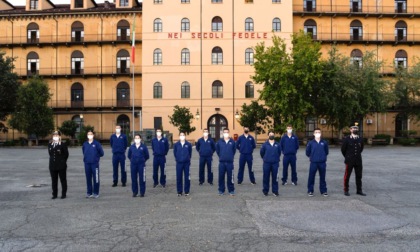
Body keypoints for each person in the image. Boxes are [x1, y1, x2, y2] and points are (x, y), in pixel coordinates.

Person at [341, 124, 366, 196]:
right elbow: (343, 150)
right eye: (353, 128)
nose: (355, 129)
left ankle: (359, 190)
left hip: (358, 160)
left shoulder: (360, 139)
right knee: (347, 175)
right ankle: (346, 190)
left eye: (356, 128)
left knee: (359, 176)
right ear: (350, 130)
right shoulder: (346, 139)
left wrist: (356, 155)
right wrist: (347, 157)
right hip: (349, 160)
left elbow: (361, 149)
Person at [305, 128, 329, 197]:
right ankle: (310, 190)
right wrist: (312, 157)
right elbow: (307, 152)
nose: (317, 133)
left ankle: (323, 191)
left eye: (319, 132)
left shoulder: (324, 142)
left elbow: (326, 152)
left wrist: (322, 157)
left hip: (322, 163)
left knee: (322, 177)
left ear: (321, 134)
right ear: (314, 134)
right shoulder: (311, 143)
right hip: (314, 163)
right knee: (311, 177)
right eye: (316, 132)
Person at [82, 130, 104, 198]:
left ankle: (96, 192)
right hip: (87, 163)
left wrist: (96, 158)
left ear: (93, 135)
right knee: (88, 178)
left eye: (91, 134)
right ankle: (89, 192)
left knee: (96, 178)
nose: (90, 135)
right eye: (88, 134)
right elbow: (84, 151)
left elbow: (101, 153)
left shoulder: (97, 144)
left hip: (94, 164)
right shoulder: (85, 144)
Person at [260, 131, 282, 196]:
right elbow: (262, 153)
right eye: (270, 134)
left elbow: (279, 153)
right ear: (268, 136)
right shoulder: (265, 145)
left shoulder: (277, 144)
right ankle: (265, 190)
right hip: (267, 163)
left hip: (275, 163)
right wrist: (266, 158)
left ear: (274, 135)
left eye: (272, 134)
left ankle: (275, 191)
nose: (271, 135)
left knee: (275, 178)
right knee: (266, 177)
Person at [216, 128, 237, 196]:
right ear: (223, 133)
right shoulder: (219, 142)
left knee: (230, 177)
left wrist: (230, 156)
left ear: (229, 133)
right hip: (222, 163)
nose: (226, 133)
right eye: (224, 132)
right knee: (221, 177)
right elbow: (217, 151)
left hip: (230, 163)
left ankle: (231, 190)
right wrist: (221, 156)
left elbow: (234, 151)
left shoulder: (232, 142)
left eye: (227, 132)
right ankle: (221, 190)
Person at [48, 130, 69, 199]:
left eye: (56, 135)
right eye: (54, 135)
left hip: (61, 165)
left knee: (63, 180)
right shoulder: (50, 144)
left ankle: (63, 194)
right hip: (52, 165)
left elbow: (66, 154)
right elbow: (50, 154)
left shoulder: (63, 144)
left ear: (59, 136)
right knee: (54, 180)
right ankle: (54, 194)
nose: (55, 136)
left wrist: (62, 161)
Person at [173, 132, 193, 196]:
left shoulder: (188, 144)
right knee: (179, 177)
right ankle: (179, 191)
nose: (182, 136)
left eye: (183, 135)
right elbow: (175, 153)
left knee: (187, 177)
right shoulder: (176, 145)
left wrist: (187, 159)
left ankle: (186, 191)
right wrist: (178, 159)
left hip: (186, 163)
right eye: (181, 135)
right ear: (179, 136)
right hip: (179, 163)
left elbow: (190, 153)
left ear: (185, 136)